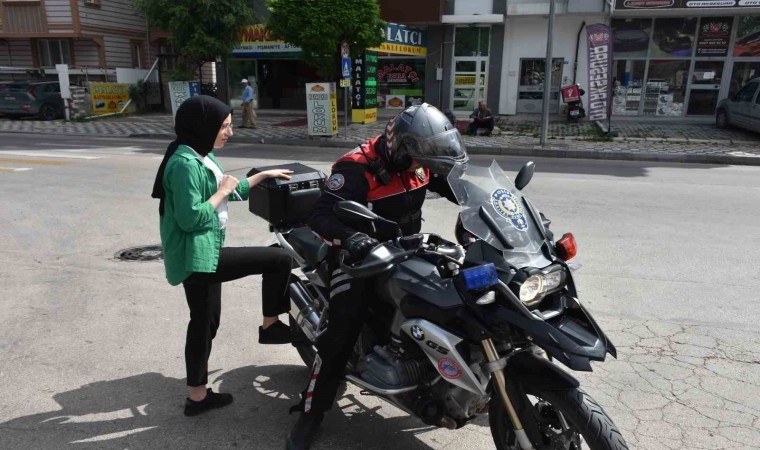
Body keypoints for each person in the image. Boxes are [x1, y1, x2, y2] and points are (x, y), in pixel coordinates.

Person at [286, 103, 468, 450]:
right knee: (340, 332)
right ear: (402, 149)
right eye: (420, 161)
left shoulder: (422, 162)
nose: (425, 169)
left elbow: (461, 188)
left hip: (408, 252)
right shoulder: (356, 168)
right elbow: (321, 217)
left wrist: (493, 210)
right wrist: (354, 239)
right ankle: (311, 413)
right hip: (357, 260)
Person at [151, 95, 297, 417]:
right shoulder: (185, 165)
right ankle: (270, 325)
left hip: (205, 252)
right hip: (198, 256)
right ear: (204, 127)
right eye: (225, 126)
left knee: (205, 323)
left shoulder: (199, 153)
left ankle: (197, 397)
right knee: (279, 258)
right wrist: (223, 190)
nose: (230, 132)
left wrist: (262, 176)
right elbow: (192, 219)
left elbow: (233, 188)